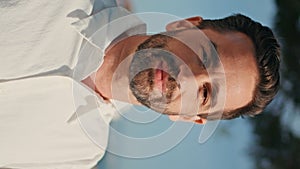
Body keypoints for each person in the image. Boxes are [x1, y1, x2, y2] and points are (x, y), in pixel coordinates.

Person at [0, 0, 280, 168]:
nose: (187, 77)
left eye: (206, 93)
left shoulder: (78, 157)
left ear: (187, 117)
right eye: (204, 55)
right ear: (185, 25)